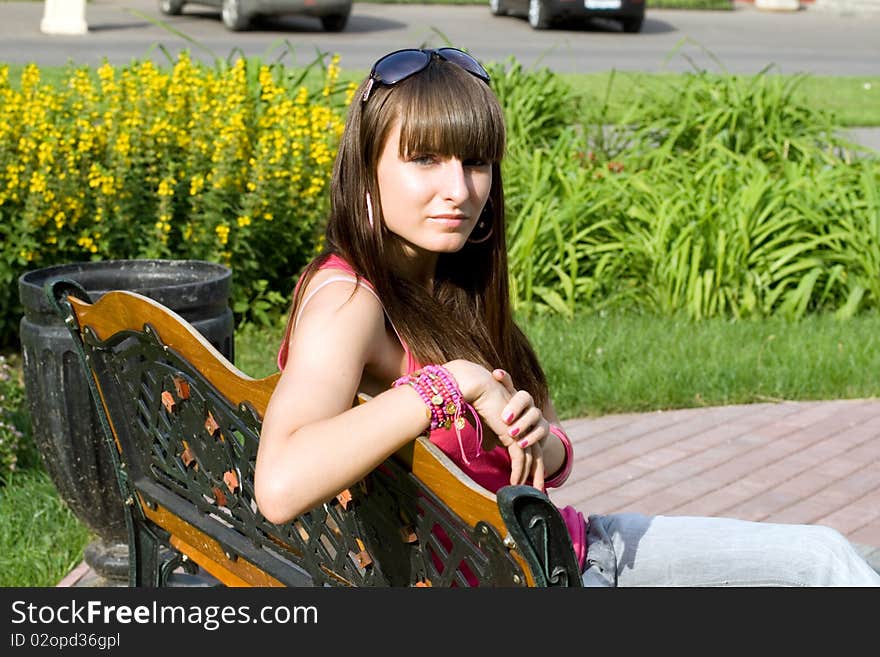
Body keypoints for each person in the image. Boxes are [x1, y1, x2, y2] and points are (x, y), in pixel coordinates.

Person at [254, 47, 880, 587]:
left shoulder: (450, 287)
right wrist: (454, 382)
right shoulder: (349, 302)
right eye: (425, 160)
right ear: (367, 168)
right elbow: (280, 483)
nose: (460, 189)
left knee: (826, 560)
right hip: (565, 571)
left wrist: (535, 436)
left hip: (565, 553)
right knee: (822, 566)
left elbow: (548, 461)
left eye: (474, 163)